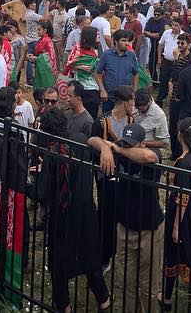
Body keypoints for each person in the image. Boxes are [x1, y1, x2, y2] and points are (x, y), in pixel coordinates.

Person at [37, 107, 112, 313]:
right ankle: (104, 299)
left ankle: (64, 305)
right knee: (91, 258)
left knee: (59, 264)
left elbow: (42, 192)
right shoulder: (79, 140)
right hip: (86, 211)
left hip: (63, 217)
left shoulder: (52, 154)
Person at [87, 120, 164, 313]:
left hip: (149, 229)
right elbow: (91, 140)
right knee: (128, 282)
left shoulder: (151, 158)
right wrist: (106, 148)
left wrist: (119, 151)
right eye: (124, 142)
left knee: (148, 286)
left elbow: (149, 156)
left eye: (131, 144)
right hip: (124, 228)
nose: (126, 146)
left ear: (142, 143)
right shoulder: (118, 152)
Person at [160, 119, 191, 310]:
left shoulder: (181, 163)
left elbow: (182, 196)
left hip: (182, 213)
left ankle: (167, 298)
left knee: (173, 255)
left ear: (179, 134)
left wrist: (175, 226)